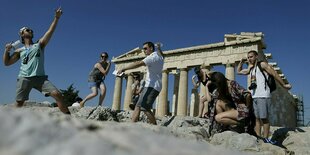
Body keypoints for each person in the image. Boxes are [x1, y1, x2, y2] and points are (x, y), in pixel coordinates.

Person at [3, 7, 70, 114]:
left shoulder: (39, 44)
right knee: (19, 103)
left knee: (57, 94)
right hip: (24, 78)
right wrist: (6, 51)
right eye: (27, 30)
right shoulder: (19, 50)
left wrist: (56, 18)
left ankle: (69, 120)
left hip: (40, 78)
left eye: (31, 30)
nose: (30, 31)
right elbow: (7, 63)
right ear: (21, 34)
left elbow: (50, 31)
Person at [237, 50, 291, 141]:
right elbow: (238, 72)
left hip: (263, 95)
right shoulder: (251, 68)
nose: (250, 59)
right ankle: (258, 137)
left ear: (256, 56)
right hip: (254, 96)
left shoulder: (262, 65)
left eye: (251, 56)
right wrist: (241, 62)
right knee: (257, 119)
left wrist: (284, 85)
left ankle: (266, 139)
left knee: (264, 118)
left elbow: (274, 73)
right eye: (248, 57)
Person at [117, 42, 164, 125]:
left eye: (145, 48)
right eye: (143, 49)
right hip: (150, 85)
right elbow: (162, 55)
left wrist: (124, 69)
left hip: (152, 86)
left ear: (151, 48)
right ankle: (131, 124)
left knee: (145, 107)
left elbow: (138, 63)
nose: (144, 50)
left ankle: (155, 126)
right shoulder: (159, 56)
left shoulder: (151, 58)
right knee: (138, 105)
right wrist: (159, 48)